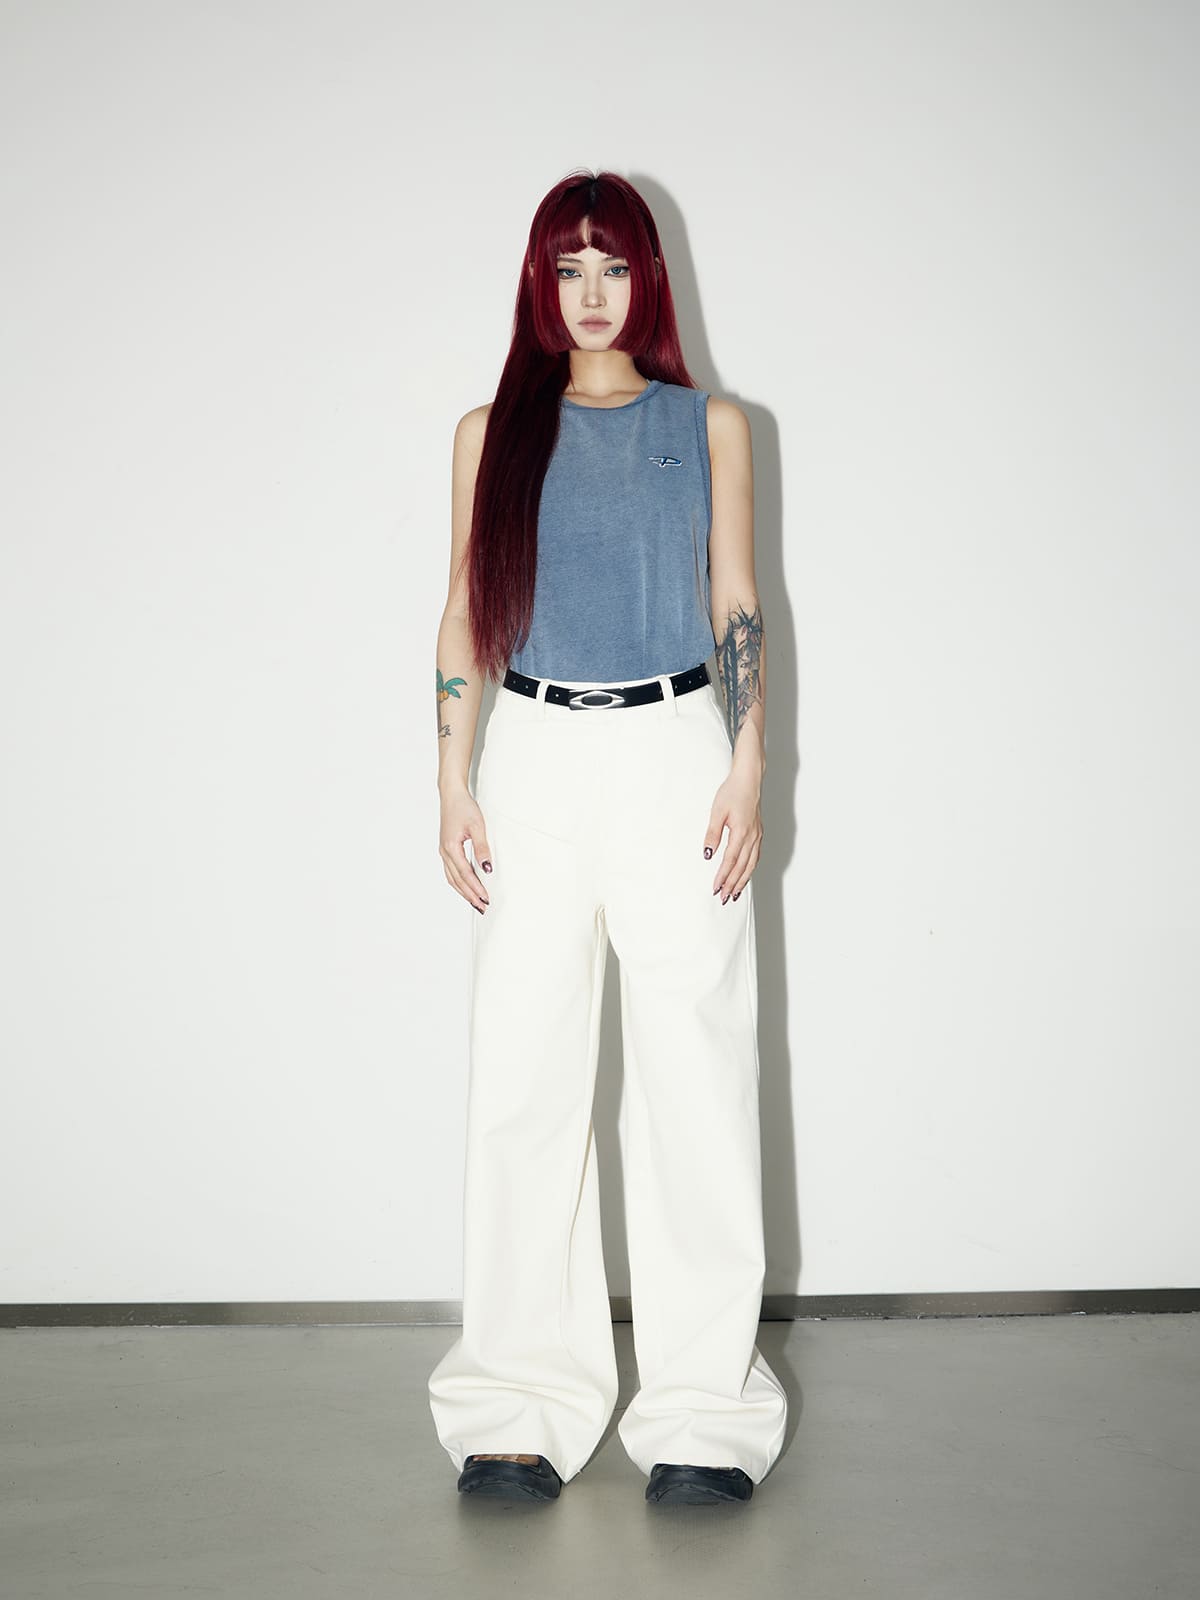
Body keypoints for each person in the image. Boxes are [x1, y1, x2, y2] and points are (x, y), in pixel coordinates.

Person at [427, 170, 787, 1506]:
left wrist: (748, 758)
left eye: (614, 266)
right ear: (541, 283)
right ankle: (518, 1403)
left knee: (696, 1073)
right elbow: (464, 609)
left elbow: (737, 599)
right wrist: (453, 778)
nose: (591, 293)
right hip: (530, 752)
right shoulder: (491, 434)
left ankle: (702, 1412)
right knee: (523, 1079)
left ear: (648, 279)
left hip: (676, 747)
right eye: (568, 268)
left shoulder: (711, 426)